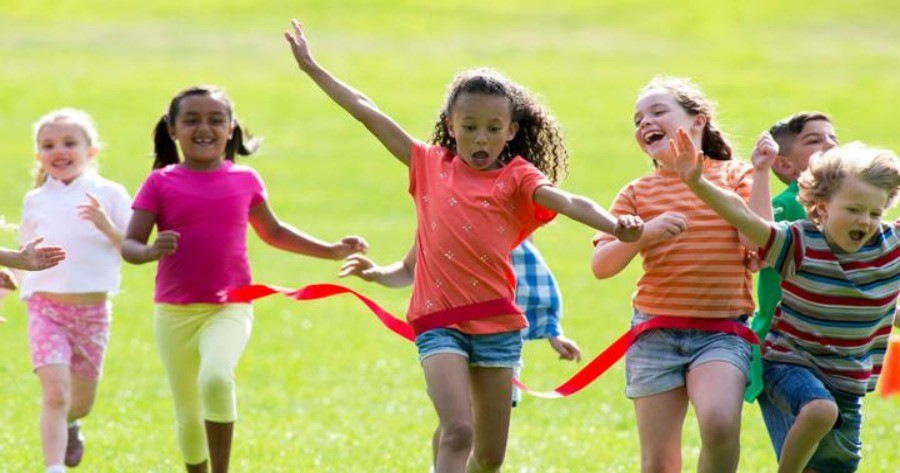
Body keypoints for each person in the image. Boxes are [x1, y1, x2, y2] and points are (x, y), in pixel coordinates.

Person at [285, 20, 641, 473]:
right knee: (457, 431)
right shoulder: (429, 165)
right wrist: (312, 68)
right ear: (451, 126)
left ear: (511, 130)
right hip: (438, 322)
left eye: (493, 128)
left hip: (498, 325)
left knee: (489, 458)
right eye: (469, 127)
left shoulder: (518, 177)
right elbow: (366, 110)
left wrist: (615, 225)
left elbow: (568, 201)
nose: (481, 138)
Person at [120, 85, 368, 473]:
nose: (204, 128)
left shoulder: (245, 179)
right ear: (172, 129)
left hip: (231, 306)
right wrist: (150, 251)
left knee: (216, 378)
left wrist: (331, 250)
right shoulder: (159, 183)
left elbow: (274, 232)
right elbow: (130, 244)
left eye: (216, 120)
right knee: (188, 416)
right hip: (173, 313)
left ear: (231, 128)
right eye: (192, 120)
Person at [674, 135, 900, 473]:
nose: (865, 221)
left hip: (848, 381)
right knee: (820, 410)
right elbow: (743, 216)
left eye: (874, 212)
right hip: (790, 363)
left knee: (832, 467)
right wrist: (697, 182)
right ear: (822, 207)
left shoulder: (891, 245)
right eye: (853, 210)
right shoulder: (799, 241)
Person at [591, 76, 773, 473]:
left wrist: (761, 173)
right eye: (638, 119)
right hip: (655, 333)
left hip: (721, 332)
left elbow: (757, 242)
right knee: (659, 462)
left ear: (698, 121)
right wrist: (645, 234)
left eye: (658, 112)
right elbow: (602, 266)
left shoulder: (734, 175)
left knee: (720, 424)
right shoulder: (636, 193)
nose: (645, 122)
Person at [340, 237, 581, 467]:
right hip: (445, 331)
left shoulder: (508, 223)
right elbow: (408, 268)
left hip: (496, 338)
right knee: (457, 425)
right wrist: (377, 273)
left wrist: (552, 331)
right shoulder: (437, 215)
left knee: (488, 454)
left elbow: (531, 281)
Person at [11, 109, 130, 473]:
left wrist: (106, 226)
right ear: (38, 155)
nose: (58, 151)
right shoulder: (35, 200)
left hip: (92, 312)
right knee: (55, 392)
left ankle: (72, 424)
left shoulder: (110, 193)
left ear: (91, 151)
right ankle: (54, 466)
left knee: (80, 403)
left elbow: (133, 248)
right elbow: (23, 255)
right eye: (48, 145)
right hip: (45, 308)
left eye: (69, 143)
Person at [747, 112, 838, 402]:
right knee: (809, 417)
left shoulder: (850, 210)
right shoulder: (785, 206)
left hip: (833, 346)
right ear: (786, 165)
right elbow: (760, 244)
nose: (830, 144)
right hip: (783, 348)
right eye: (814, 140)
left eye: (833, 138)